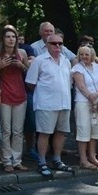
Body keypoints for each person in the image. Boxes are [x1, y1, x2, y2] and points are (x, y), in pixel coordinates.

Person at [25, 33, 74, 177]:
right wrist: (44, 94)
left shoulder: (66, 61)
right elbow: (30, 83)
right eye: (54, 43)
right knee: (44, 133)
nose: (57, 46)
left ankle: (57, 160)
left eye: (60, 43)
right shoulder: (39, 61)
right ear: (47, 45)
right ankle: (42, 161)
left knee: (61, 132)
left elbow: (68, 82)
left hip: (64, 103)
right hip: (46, 104)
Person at [0, 25, 30, 172]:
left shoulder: (22, 52)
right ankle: (7, 160)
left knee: (18, 131)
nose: (11, 39)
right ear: (3, 39)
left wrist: (21, 65)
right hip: (4, 95)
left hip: (20, 95)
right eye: (8, 36)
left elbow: (29, 73)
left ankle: (17, 160)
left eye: (13, 36)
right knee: (6, 130)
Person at [72, 45, 98, 169]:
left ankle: (92, 157)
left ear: (92, 55)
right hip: (83, 102)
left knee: (95, 130)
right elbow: (81, 86)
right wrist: (91, 98)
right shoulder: (77, 68)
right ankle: (83, 159)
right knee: (83, 130)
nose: (84, 57)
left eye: (86, 54)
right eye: (81, 54)